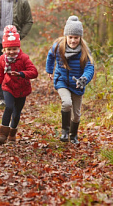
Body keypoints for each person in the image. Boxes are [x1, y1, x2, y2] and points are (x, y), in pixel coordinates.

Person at [46, 15, 94, 144]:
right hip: (61, 80)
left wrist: (84, 79)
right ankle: (64, 132)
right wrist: (49, 70)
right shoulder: (58, 46)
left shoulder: (84, 51)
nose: (73, 40)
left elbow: (90, 67)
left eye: (76, 37)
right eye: (70, 37)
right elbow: (50, 56)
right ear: (66, 36)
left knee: (77, 114)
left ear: (80, 37)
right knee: (67, 103)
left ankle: (73, 135)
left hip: (78, 84)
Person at [0, 25, 38, 144]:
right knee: (9, 107)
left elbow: (34, 72)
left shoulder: (24, 58)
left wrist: (21, 74)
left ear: (19, 48)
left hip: (22, 88)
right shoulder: (2, 59)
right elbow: (0, 73)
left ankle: (12, 134)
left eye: (14, 49)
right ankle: (3, 133)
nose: (11, 52)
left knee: (16, 113)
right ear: (4, 50)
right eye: (9, 50)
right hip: (8, 86)